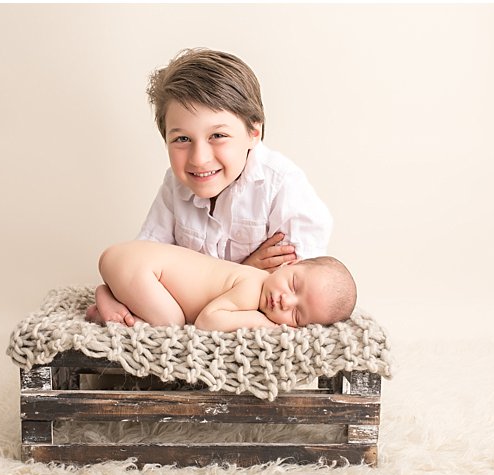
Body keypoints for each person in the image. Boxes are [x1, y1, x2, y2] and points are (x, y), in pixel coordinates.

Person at [137, 48, 333, 271]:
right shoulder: (175, 184)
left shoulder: (282, 186)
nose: (199, 159)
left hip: (244, 305)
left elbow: (290, 290)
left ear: (253, 132)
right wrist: (245, 270)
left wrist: (206, 283)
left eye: (218, 136)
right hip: (199, 299)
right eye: (182, 139)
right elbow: (143, 259)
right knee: (113, 264)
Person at [85, 240, 356, 332]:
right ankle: (106, 296)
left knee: (166, 316)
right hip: (139, 266)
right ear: (287, 266)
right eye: (294, 285)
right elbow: (206, 321)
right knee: (170, 324)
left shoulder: (256, 286)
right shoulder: (252, 286)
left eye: (297, 315)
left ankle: (112, 293)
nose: (286, 301)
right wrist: (263, 324)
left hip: (131, 262)